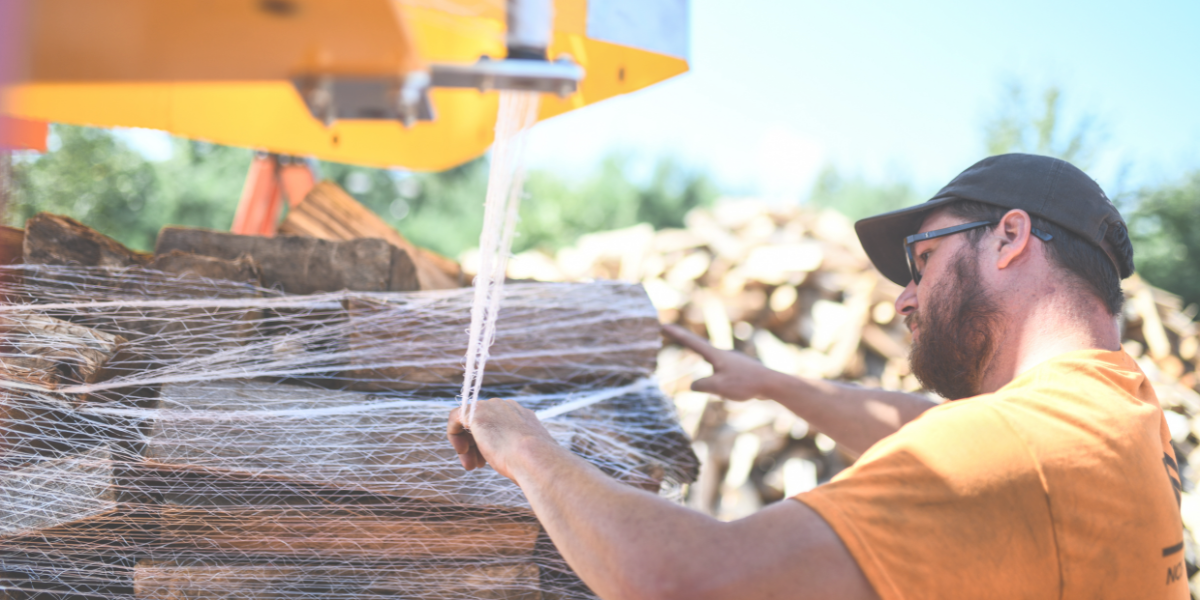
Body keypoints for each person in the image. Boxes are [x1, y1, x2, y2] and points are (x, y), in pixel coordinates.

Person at [447, 153, 1187, 600]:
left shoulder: (1014, 452)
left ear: (1010, 237)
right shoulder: (1120, 406)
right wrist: (778, 385)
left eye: (924, 259)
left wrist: (526, 449)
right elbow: (935, 430)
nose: (902, 299)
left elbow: (685, 581)